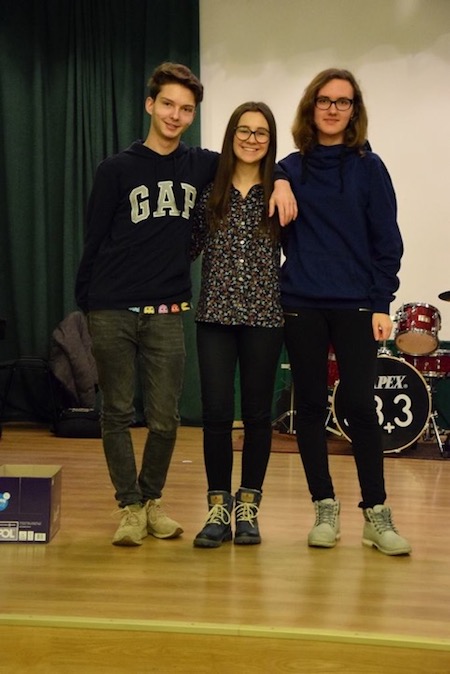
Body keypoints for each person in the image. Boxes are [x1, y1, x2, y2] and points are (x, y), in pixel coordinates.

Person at [75, 63, 296, 547]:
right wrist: (86, 301)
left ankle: (188, 503)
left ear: (193, 116)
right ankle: (136, 507)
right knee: (123, 412)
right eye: (168, 105)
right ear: (150, 105)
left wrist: (280, 178)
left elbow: (262, 163)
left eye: (186, 109)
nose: (175, 115)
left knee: (175, 417)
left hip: (203, 313)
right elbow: (98, 239)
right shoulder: (132, 172)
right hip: (142, 309)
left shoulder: (214, 170)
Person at [279, 68, 411, 556]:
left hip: (356, 303)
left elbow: (387, 241)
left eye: (343, 101)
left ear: (354, 111)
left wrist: (382, 302)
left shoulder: (369, 168)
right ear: (311, 107)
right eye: (325, 100)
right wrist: (278, 181)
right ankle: (324, 508)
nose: (333, 109)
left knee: (358, 405)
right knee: (311, 408)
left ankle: (376, 514)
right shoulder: (289, 168)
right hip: (301, 303)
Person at [190, 102, 284, 549]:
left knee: (258, 416)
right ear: (231, 136)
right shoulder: (210, 190)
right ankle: (217, 508)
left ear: (271, 140)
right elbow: (185, 246)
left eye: (261, 132)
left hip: (265, 317)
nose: (251, 139)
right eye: (244, 130)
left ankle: (248, 508)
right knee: (215, 414)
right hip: (214, 316)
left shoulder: (280, 191)